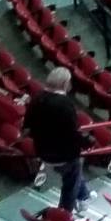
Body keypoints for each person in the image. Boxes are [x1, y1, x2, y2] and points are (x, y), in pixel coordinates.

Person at [26, 66, 89, 212]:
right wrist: (87, 142)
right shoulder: (65, 104)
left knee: (74, 172)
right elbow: (72, 133)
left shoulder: (36, 99)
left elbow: (27, 128)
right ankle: (64, 214)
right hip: (63, 155)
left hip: (42, 150)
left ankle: (84, 194)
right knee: (71, 181)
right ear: (65, 83)